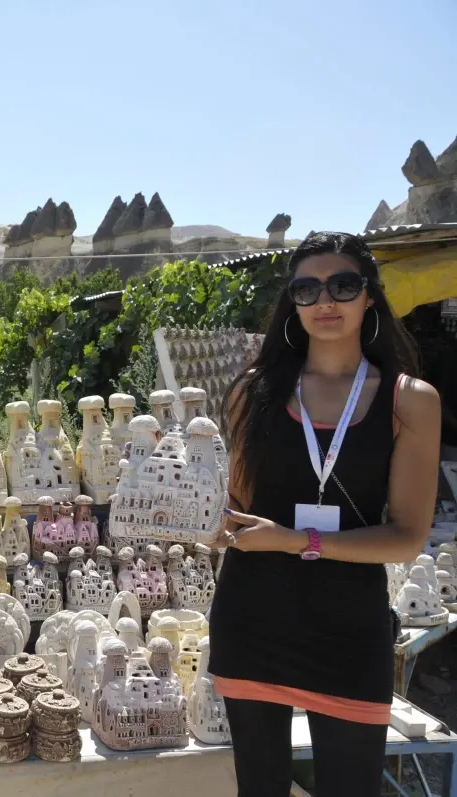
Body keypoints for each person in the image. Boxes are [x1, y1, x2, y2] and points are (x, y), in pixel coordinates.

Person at [208, 231, 442, 797]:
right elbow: (237, 511)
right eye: (306, 290)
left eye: (342, 285)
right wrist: (208, 523)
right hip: (253, 616)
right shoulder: (253, 391)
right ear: (292, 302)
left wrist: (296, 541)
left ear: (369, 297)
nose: (325, 301)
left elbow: (407, 538)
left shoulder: (410, 399)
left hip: (348, 627)